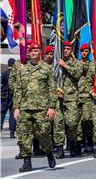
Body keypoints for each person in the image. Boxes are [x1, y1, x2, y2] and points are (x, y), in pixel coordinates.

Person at [13, 43, 56, 172]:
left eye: (36, 50)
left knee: (43, 134)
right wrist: (16, 107)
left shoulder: (47, 68)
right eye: (31, 50)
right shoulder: (23, 70)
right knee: (24, 135)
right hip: (25, 108)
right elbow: (18, 89)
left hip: (41, 108)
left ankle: (49, 153)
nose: (33, 53)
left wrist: (51, 107)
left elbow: (52, 88)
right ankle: (27, 162)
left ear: (40, 53)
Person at [1, 58, 16, 138]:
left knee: (2, 113)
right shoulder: (15, 74)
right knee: (12, 114)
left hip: (4, 96)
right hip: (12, 96)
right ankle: (12, 132)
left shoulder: (4, 73)